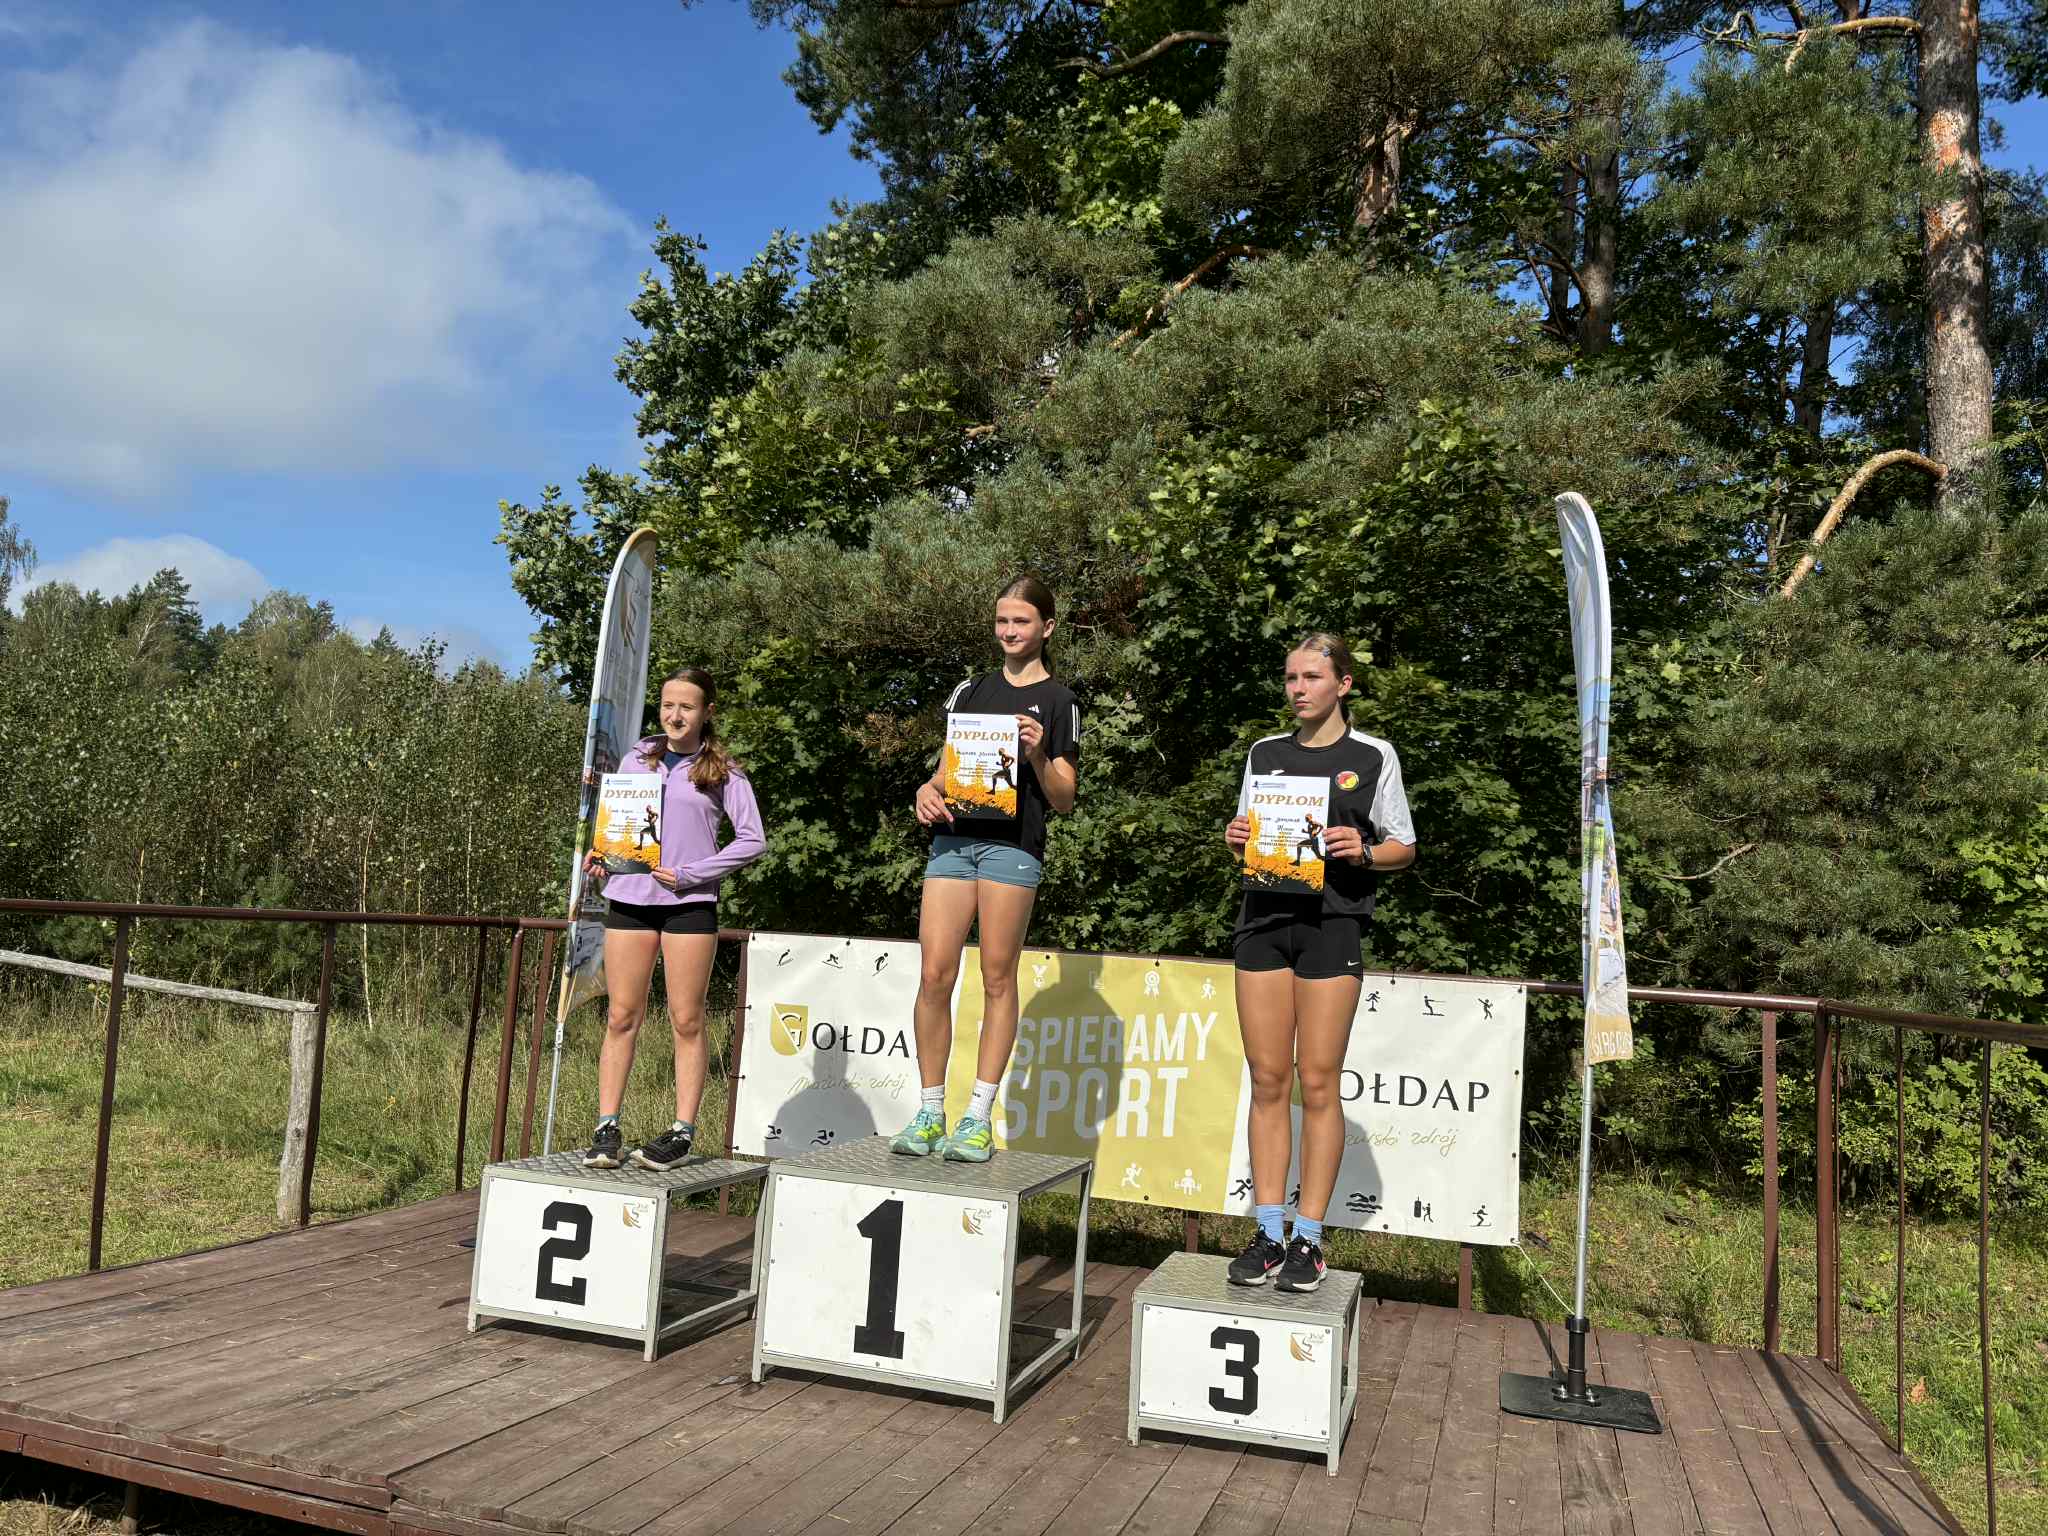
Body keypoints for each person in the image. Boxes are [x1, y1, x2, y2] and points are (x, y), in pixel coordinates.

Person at [1223, 633, 1416, 1290]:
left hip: (1332, 926)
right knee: (1267, 1079)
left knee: (1317, 1081)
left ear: (1343, 684)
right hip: (1263, 924)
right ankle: (1268, 1232)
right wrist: (1236, 837)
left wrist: (1364, 850)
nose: (1298, 688)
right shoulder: (1265, 753)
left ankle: (1309, 1238)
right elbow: (1246, 832)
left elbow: (1404, 846)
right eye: (1290, 678)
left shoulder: (1373, 755)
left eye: (1311, 676)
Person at [891, 576, 1081, 1162]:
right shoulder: (969, 691)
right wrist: (927, 790)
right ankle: (930, 1111)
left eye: (1021, 621)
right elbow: (945, 773)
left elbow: (1064, 797)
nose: (1010, 631)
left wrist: (1038, 754)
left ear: (1047, 628)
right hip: (953, 841)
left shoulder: (1060, 700)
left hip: (1012, 848)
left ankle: (977, 1116)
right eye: (1002, 620)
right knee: (934, 974)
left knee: (998, 977)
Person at [580, 668, 766, 1171]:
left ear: (707, 712)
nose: (675, 715)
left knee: (686, 1019)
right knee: (621, 1015)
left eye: (686, 707)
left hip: (689, 904)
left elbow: (753, 839)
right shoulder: (637, 758)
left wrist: (692, 874)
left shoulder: (723, 769)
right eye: (667, 705)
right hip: (629, 899)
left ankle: (682, 1131)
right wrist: (601, 856)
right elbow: (615, 827)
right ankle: (606, 1128)